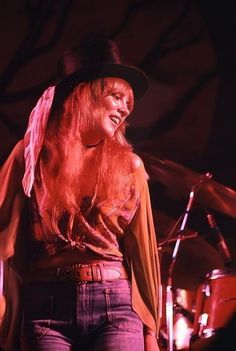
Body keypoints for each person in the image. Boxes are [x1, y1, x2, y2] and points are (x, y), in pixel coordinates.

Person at [0, 39, 161, 351]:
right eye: (116, 96)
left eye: (127, 101)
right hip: (45, 307)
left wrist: (151, 333)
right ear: (84, 95)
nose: (125, 107)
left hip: (115, 305)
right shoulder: (32, 156)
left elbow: (144, 255)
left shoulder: (131, 167)